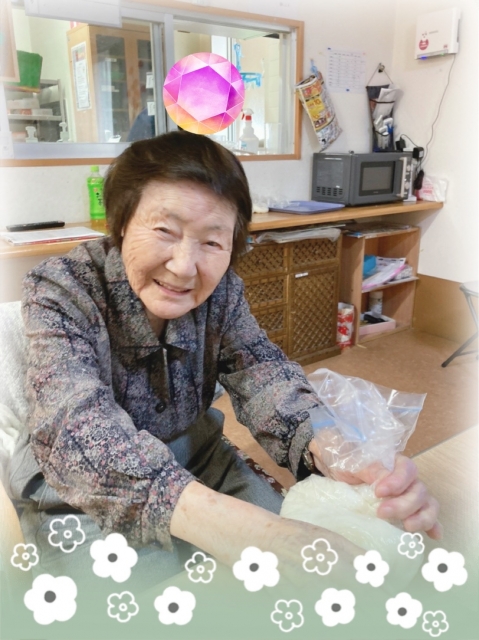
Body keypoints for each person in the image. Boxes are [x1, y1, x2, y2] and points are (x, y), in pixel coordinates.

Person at [10, 131, 440, 591]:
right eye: (164, 231)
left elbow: (263, 373)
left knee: (306, 568)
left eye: (213, 243)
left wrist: (336, 451)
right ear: (120, 224)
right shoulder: (61, 289)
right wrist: (255, 534)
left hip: (198, 456)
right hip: (77, 489)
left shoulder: (224, 292)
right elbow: (75, 424)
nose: (184, 266)